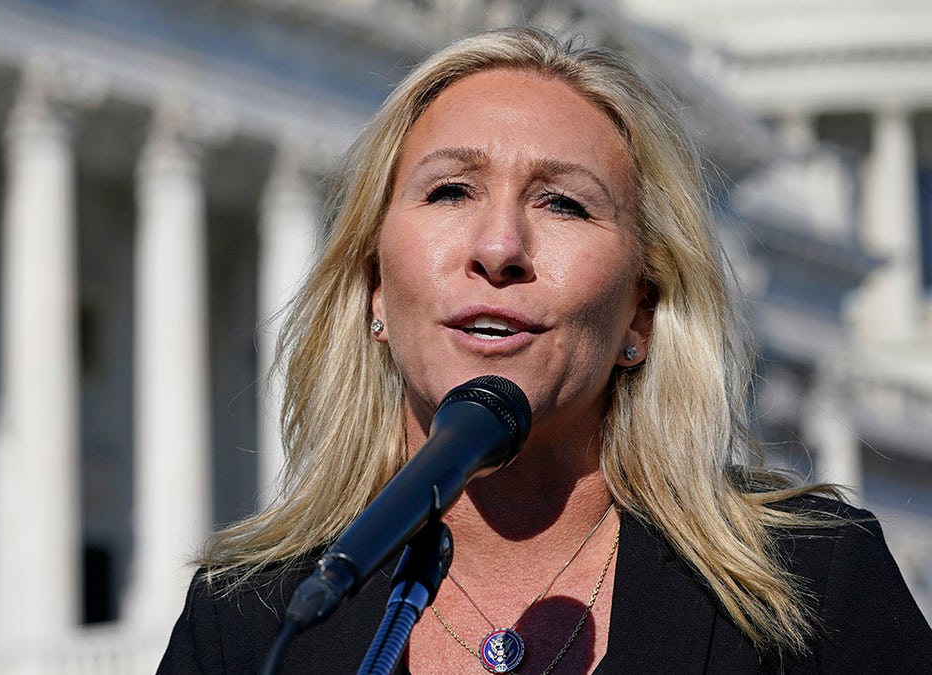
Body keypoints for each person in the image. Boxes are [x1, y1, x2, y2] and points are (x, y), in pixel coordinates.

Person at [157, 26, 932, 674]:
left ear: (643, 310)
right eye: (451, 191)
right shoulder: (254, 624)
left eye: (563, 202)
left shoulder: (810, 587)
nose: (499, 247)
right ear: (374, 291)